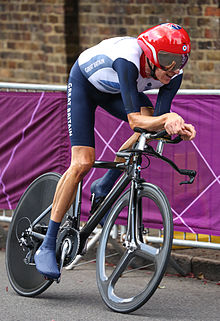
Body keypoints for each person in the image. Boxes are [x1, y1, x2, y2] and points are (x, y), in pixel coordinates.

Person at [34, 23, 196, 279]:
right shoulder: (128, 59)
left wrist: (177, 127)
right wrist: (168, 119)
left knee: (152, 127)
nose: (174, 68)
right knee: (82, 163)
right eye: (168, 60)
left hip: (113, 92)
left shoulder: (173, 75)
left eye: (181, 60)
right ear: (151, 54)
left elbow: (159, 121)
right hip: (85, 86)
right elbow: (135, 121)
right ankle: (47, 243)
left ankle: (104, 185)